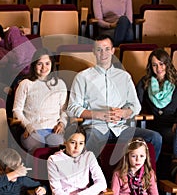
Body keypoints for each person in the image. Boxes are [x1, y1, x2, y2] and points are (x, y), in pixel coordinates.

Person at [67, 34, 162, 162]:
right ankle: (90, 179)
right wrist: (98, 115)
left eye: (107, 49)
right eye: (99, 49)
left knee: (155, 138)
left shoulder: (124, 77)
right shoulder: (82, 77)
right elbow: (73, 108)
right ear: (94, 52)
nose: (103, 53)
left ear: (113, 51)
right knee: (86, 141)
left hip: (120, 127)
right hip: (95, 128)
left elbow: (135, 106)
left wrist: (124, 112)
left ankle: (144, 177)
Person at [13, 47, 68, 153]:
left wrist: (62, 123)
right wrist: (27, 125)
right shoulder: (25, 84)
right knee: (37, 147)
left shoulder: (60, 84)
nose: (44, 68)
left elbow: (64, 110)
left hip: (53, 129)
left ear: (52, 64)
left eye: (47, 63)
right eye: (40, 64)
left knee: (58, 147)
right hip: (32, 129)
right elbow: (16, 110)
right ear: (34, 65)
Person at [136, 48, 177, 179]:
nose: (158, 68)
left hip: (172, 127)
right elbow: (136, 104)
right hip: (152, 126)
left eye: (161, 64)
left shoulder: (176, 82)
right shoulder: (144, 82)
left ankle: (175, 165)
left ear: (167, 64)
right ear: (150, 66)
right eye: (154, 65)